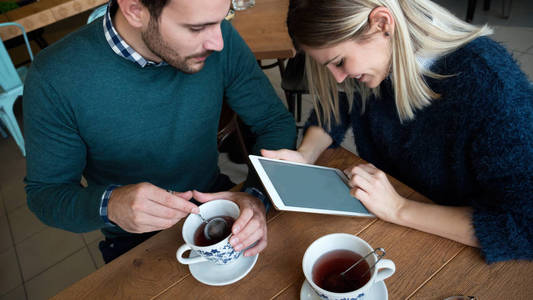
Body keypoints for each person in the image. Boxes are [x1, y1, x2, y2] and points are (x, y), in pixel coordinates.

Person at [23, 0, 296, 263]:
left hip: (215, 199)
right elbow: (46, 194)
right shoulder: (55, 77)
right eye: (196, 28)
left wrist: (257, 196)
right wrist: (111, 205)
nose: (218, 43)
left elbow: (274, 122)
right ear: (134, 9)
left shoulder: (218, 35)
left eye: (223, 18)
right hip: (134, 239)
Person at [263, 0, 533, 263]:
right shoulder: (382, 56)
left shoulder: (492, 86)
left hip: (459, 245)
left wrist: (398, 208)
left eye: (340, 61)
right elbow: (340, 103)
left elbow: (523, 227)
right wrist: (306, 155)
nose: (338, 77)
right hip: (394, 216)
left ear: (382, 23)